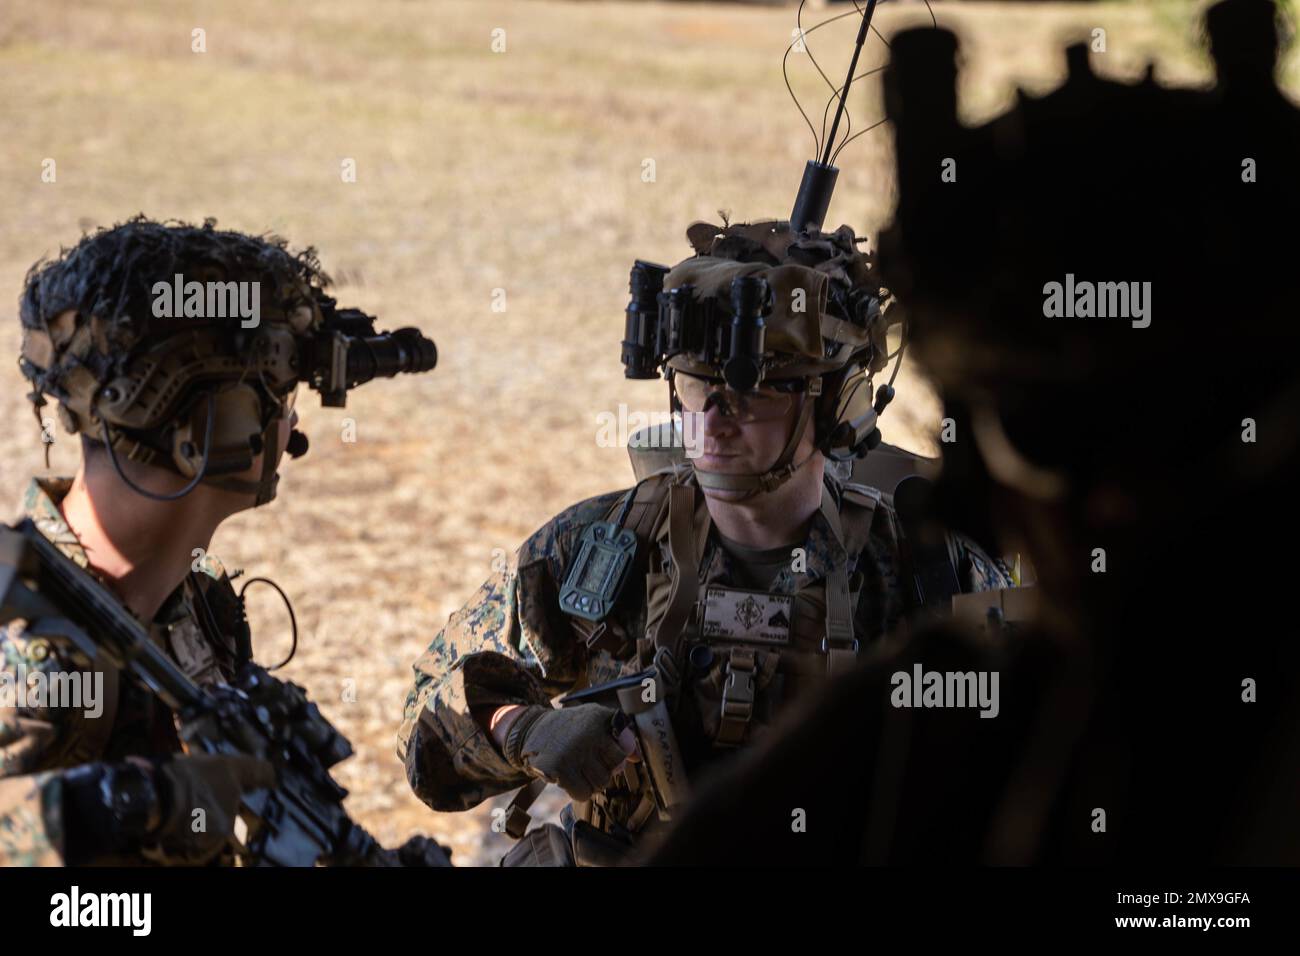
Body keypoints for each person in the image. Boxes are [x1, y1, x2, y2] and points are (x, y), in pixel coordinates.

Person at [398, 216, 1013, 864]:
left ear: (833, 401)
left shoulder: (926, 574)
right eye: (697, 385)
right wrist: (523, 727)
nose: (714, 422)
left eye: (752, 389)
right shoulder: (601, 551)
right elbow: (425, 716)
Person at [0, 217, 438, 865]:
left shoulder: (192, 603)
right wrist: (140, 801)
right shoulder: (30, 648)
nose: (290, 423)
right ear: (214, 426)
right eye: (280, 393)